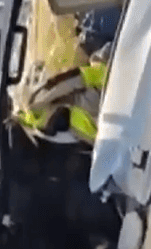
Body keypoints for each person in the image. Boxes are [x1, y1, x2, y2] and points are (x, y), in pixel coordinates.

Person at [13, 8, 118, 146]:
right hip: (114, 72)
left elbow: (71, 79)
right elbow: (72, 79)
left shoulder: (37, 110)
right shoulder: (35, 107)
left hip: (110, 68)